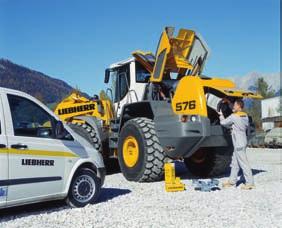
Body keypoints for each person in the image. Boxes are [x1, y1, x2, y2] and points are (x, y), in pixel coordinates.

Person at [218, 99, 255, 190]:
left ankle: (250, 183)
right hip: (242, 140)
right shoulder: (244, 115)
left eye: (234, 105)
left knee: (243, 163)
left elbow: (223, 123)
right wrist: (229, 102)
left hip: (238, 142)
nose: (233, 107)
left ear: (238, 106)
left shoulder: (234, 116)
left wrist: (221, 115)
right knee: (235, 163)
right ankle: (232, 182)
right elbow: (237, 124)